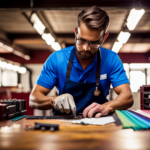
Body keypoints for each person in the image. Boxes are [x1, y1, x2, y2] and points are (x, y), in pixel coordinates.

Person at [29, 6, 133, 118]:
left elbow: (127, 97)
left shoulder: (111, 59)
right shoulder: (57, 59)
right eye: (81, 40)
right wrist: (54, 100)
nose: (86, 48)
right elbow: (34, 99)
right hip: (63, 124)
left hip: (100, 123)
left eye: (94, 43)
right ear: (75, 32)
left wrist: (108, 106)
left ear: (104, 38)